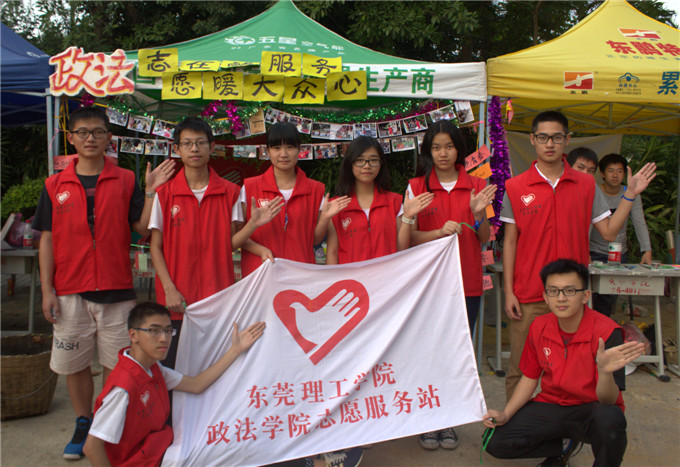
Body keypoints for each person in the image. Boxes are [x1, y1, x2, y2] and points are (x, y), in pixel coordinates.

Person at [31, 106, 176, 459]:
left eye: (97, 132)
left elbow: (140, 227)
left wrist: (151, 191)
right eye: (82, 133)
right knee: (75, 363)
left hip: (116, 288)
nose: (90, 138)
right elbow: (47, 239)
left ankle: (108, 426)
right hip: (70, 289)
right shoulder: (54, 184)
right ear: (71, 138)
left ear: (109, 137)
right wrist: (47, 290)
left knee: (119, 364)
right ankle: (84, 422)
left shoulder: (125, 179)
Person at [500, 110, 656, 400]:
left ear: (567, 140)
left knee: (576, 368)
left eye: (556, 137)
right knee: (520, 369)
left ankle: (569, 421)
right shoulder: (515, 186)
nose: (550, 144)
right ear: (532, 139)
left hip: (573, 295)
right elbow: (510, 243)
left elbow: (608, 232)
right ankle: (516, 424)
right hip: (529, 293)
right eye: (543, 137)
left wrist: (630, 195)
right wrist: (508, 291)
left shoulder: (585, 185)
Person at [482, 259, 645, 467]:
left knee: (611, 421)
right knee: (493, 442)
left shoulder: (607, 332)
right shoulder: (539, 326)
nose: (561, 298)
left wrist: (604, 371)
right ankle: (563, 446)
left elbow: (608, 400)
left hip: (590, 409)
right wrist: (506, 414)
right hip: (552, 404)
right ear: (545, 297)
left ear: (585, 295)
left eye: (569, 291)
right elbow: (530, 377)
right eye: (553, 291)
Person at [148, 117, 282, 368]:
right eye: (187, 143)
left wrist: (252, 225)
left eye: (200, 143)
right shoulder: (165, 194)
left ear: (211, 147)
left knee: (218, 369)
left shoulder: (230, 192)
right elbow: (156, 246)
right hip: (177, 300)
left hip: (219, 298)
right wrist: (168, 288)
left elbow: (230, 243)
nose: (194, 149)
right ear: (177, 149)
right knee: (174, 370)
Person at [82, 302, 265, 466]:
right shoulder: (123, 388)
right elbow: (91, 447)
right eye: (154, 330)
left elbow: (196, 384)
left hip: (158, 447)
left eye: (168, 330)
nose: (164, 338)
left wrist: (235, 350)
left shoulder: (153, 368)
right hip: (141, 460)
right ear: (133, 335)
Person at [408, 120, 497, 451]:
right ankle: (427, 420)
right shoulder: (416, 187)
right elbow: (408, 238)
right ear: (428, 151)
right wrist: (436, 233)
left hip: (466, 282)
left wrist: (478, 214)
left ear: (459, 149)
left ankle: (448, 420)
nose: (443, 153)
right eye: (436, 147)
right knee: (428, 352)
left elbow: (485, 237)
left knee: (458, 353)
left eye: (449, 146)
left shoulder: (477, 185)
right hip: (428, 286)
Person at [239, 122, 350, 277]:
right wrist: (260, 250)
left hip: (300, 275)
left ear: (300, 149)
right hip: (260, 273)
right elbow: (237, 237)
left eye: (290, 147)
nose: (283, 154)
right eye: (276, 148)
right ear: (267, 151)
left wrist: (324, 219)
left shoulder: (316, 190)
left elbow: (314, 241)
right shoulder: (250, 187)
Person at [325, 136, 433, 264]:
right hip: (352, 276)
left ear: (381, 163)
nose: (367, 166)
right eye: (360, 160)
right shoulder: (336, 206)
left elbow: (401, 248)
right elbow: (332, 252)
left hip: (387, 275)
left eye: (373, 160)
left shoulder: (394, 201)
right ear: (350, 164)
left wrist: (408, 217)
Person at [591, 153, 653, 315]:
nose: (615, 175)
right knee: (591, 296)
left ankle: (604, 327)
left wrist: (646, 250)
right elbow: (587, 223)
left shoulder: (631, 192)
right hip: (594, 251)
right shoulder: (594, 191)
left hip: (618, 253)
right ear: (602, 173)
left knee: (609, 297)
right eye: (611, 171)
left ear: (625, 174)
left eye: (619, 171)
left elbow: (639, 222)